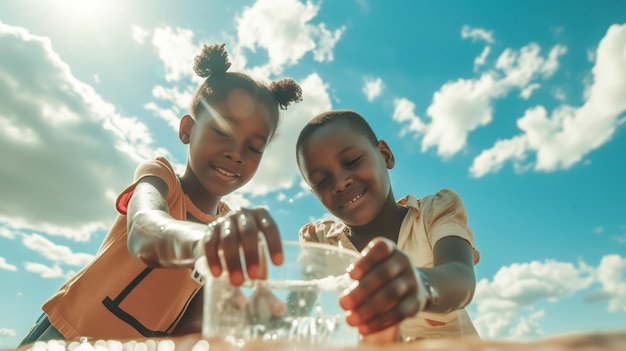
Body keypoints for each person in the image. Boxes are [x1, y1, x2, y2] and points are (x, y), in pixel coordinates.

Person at [18, 43, 302, 345]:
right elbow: (145, 233)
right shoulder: (161, 179)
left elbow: (193, 321)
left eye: (254, 147)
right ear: (188, 130)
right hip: (68, 334)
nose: (236, 153)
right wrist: (208, 241)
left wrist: (240, 327)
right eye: (222, 131)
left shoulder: (225, 227)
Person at [295, 110, 480, 342]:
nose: (340, 183)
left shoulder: (432, 213)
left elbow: (460, 278)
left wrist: (418, 284)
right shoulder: (321, 242)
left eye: (352, 161)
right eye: (321, 181)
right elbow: (293, 313)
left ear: (385, 155)